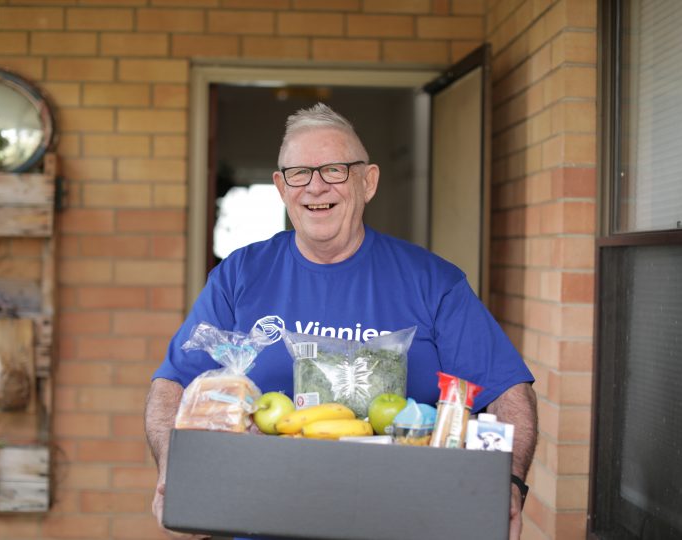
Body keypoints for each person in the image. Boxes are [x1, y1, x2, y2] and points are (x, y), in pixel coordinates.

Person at [145, 103, 537, 540]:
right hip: (260, 522)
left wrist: (511, 484)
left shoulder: (433, 281)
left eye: (333, 170)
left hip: (405, 525)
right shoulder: (240, 275)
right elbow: (172, 386)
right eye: (299, 173)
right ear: (281, 186)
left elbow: (509, 393)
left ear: (367, 181)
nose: (315, 187)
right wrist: (172, 469)